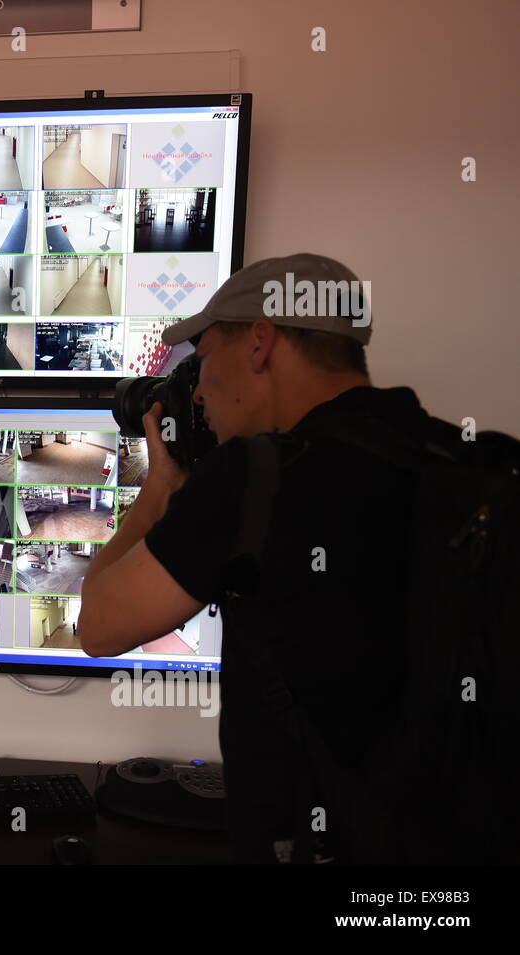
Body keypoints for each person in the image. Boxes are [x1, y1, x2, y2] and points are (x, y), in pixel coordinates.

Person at [77, 253, 447, 864]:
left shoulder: (254, 479)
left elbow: (98, 626)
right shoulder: (456, 456)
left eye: (204, 357)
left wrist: (161, 484)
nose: (197, 389)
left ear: (259, 342)